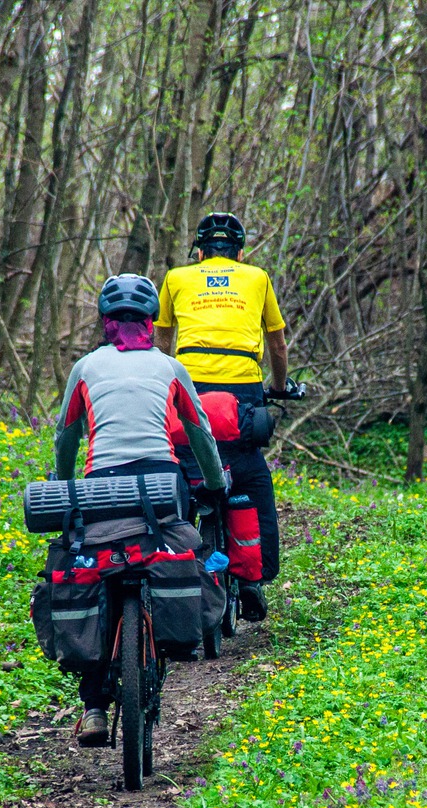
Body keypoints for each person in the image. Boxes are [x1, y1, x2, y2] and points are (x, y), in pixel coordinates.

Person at [54, 273, 226, 747]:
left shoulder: (85, 367)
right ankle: (166, 639)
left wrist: (65, 484)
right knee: (174, 547)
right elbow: (199, 431)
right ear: (151, 321)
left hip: (101, 486)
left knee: (99, 567)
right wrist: (215, 482)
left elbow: (66, 435)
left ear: (105, 321)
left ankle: (93, 706)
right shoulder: (171, 367)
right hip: (161, 484)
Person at [156, 212, 289, 621]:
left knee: (184, 466)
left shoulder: (176, 278)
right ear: (240, 253)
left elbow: (162, 338)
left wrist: (162, 383)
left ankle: (172, 569)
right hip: (242, 391)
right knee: (248, 474)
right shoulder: (257, 278)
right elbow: (277, 345)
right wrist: (278, 386)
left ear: (199, 253)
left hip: (189, 388)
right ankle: (251, 578)